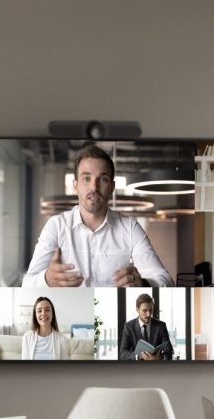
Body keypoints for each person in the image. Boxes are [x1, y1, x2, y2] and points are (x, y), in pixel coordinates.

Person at [22, 144, 172, 287]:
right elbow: (27, 284)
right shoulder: (56, 226)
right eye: (86, 178)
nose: (94, 187)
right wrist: (47, 279)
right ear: (75, 185)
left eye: (103, 179)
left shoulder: (130, 227)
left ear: (112, 187)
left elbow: (165, 280)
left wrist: (143, 284)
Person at [118, 293, 173, 361]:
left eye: (150, 310)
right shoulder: (129, 326)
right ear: (137, 310)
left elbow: (169, 351)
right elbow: (122, 353)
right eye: (145, 310)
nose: (148, 314)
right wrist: (138, 356)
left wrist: (159, 358)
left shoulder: (161, 326)